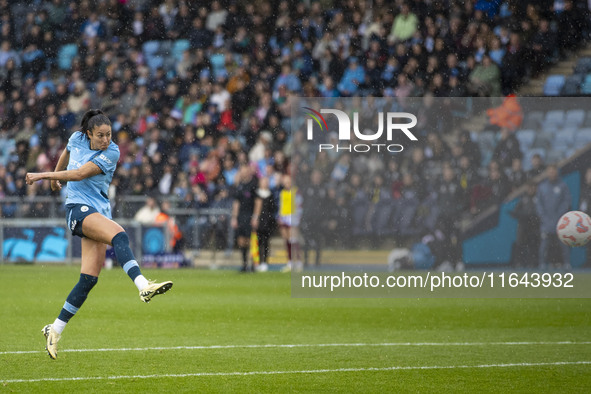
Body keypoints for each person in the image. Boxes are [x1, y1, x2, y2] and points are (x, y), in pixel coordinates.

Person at [25, 109, 173, 360]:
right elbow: (67, 151)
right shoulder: (76, 138)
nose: (106, 140)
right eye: (101, 135)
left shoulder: (112, 152)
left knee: (88, 280)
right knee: (120, 235)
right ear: (88, 134)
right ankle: (143, 285)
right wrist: (54, 177)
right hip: (77, 209)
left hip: (98, 211)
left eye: (109, 135)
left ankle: (54, 329)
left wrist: (45, 175)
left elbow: (80, 173)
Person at [535, 164, 571, 270]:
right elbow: (539, 205)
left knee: (564, 244)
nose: (552, 173)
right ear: (547, 172)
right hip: (546, 222)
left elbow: (567, 202)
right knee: (544, 245)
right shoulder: (542, 187)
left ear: (557, 172)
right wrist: (544, 217)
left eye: (553, 171)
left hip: (560, 222)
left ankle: (567, 264)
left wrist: (560, 216)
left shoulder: (563, 186)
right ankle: (542, 264)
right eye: (550, 171)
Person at [231, 164, 258, 272]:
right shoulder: (240, 185)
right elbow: (236, 202)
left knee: (251, 240)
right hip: (241, 216)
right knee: (241, 240)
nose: (243, 173)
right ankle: (244, 264)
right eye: (241, 171)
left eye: (244, 171)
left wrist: (255, 216)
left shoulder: (253, 184)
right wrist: (234, 217)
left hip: (250, 215)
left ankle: (253, 264)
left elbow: (257, 202)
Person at [252, 177, 276, 272]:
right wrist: (255, 218)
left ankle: (264, 262)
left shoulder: (270, 195)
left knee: (266, 242)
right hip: (259, 220)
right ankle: (257, 261)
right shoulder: (256, 194)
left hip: (267, 221)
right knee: (257, 242)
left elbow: (273, 208)